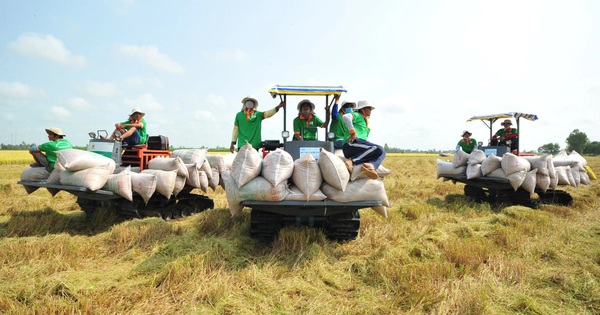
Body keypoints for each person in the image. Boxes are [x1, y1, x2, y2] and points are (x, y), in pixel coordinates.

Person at [341, 100, 386, 180]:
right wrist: (353, 132)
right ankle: (351, 161)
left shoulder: (365, 121)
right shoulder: (358, 115)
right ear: (362, 109)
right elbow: (346, 117)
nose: (370, 110)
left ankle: (371, 166)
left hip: (359, 147)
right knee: (379, 149)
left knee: (382, 152)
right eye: (369, 108)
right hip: (351, 144)